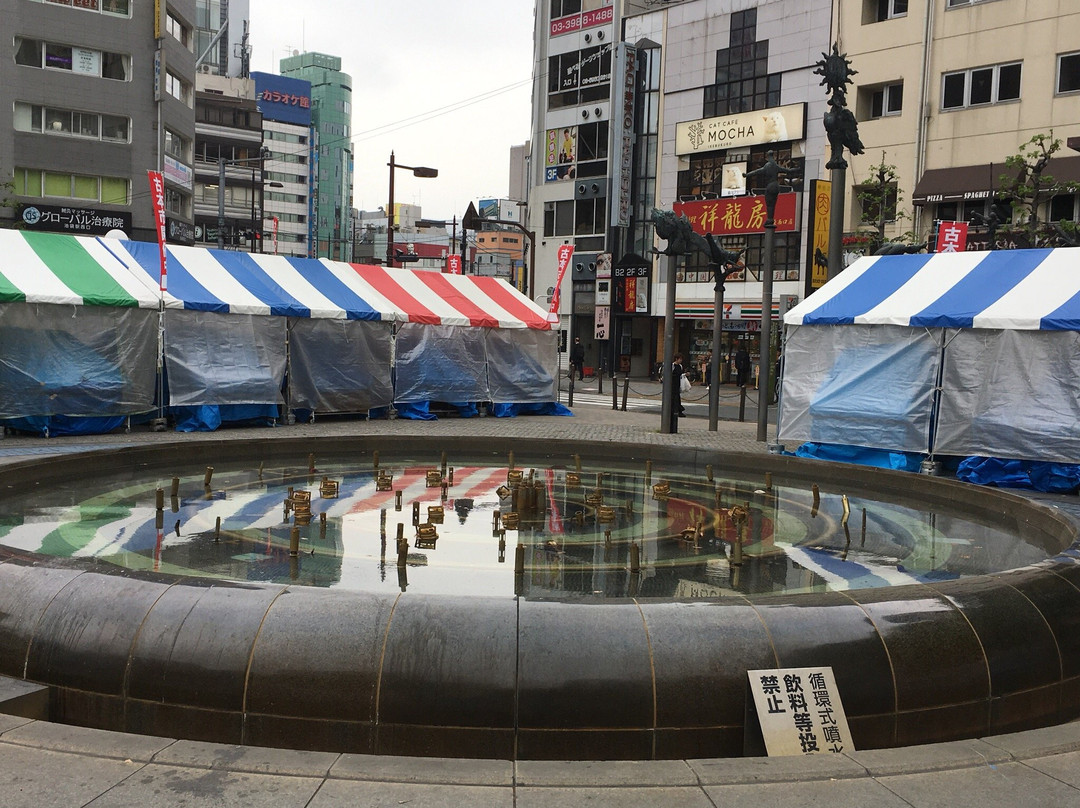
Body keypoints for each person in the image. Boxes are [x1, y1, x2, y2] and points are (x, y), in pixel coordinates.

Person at [672, 353, 687, 418]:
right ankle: (676, 410)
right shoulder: (672, 366)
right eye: (680, 359)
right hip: (672, 384)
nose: (681, 360)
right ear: (676, 359)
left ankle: (678, 410)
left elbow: (681, 374)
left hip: (678, 384)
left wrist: (684, 374)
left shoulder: (680, 366)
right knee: (673, 397)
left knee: (677, 397)